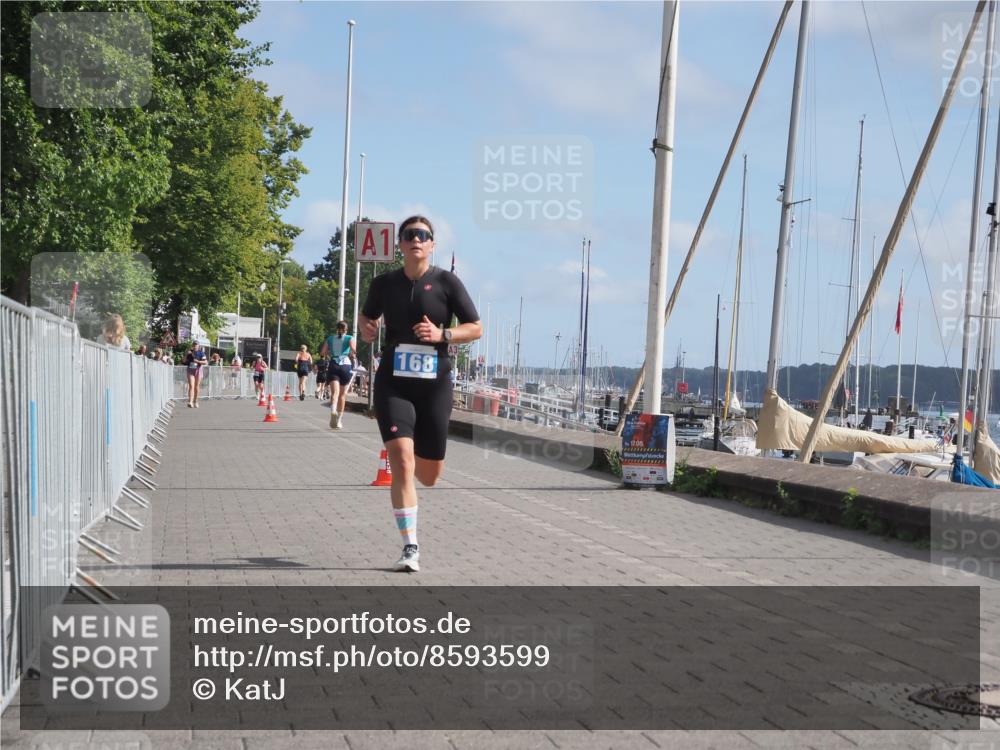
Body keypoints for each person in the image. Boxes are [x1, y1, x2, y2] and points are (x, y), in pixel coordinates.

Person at [359, 216, 482, 572]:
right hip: (393, 381)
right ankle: (410, 546)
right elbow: (366, 319)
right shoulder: (384, 284)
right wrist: (366, 328)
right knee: (401, 460)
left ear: (432, 245)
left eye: (424, 235)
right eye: (410, 234)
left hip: (434, 383)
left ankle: (416, 485)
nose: (417, 239)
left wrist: (443, 335)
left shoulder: (446, 282)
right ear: (400, 244)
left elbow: (476, 328)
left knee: (428, 475)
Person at [320, 320, 356, 430]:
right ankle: (339, 420)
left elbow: (322, 353)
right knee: (342, 395)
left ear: (337, 329)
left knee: (334, 393)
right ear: (346, 329)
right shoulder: (350, 338)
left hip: (334, 364)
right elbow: (354, 350)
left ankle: (333, 411)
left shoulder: (330, 338)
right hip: (345, 365)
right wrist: (352, 353)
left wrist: (330, 352)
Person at [184, 343, 209, 408]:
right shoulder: (189, 353)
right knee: (191, 386)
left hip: (198, 370)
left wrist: (197, 361)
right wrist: (186, 354)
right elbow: (183, 360)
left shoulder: (201, 353)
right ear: (192, 346)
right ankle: (190, 402)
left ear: (198, 346)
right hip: (190, 370)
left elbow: (205, 362)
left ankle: (195, 401)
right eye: (194, 345)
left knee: (196, 386)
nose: (195, 346)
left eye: (196, 345)